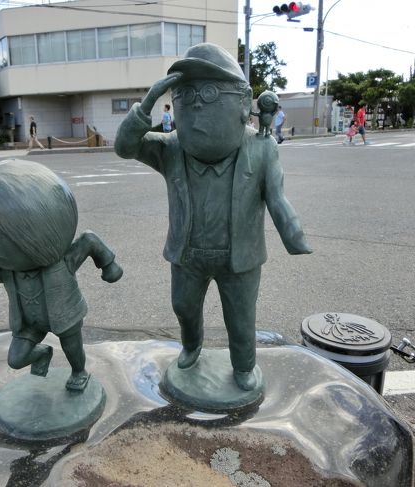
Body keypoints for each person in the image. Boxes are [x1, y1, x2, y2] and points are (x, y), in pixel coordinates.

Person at [115, 43, 311, 392]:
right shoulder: (171, 148)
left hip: (240, 256)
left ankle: (244, 366)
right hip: (187, 254)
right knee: (184, 307)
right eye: (185, 95)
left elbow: (276, 197)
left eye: (208, 93)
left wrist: (292, 234)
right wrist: (147, 103)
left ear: (240, 104)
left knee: (240, 318)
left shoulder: (262, 147)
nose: (196, 104)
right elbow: (125, 147)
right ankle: (191, 347)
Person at [0, 160, 123, 391]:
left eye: (3, 228)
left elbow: (89, 240)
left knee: (73, 349)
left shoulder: (59, 261)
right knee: (16, 359)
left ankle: (79, 372)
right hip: (28, 322)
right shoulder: (9, 269)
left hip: (63, 315)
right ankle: (43, 354)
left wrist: (108, 263)